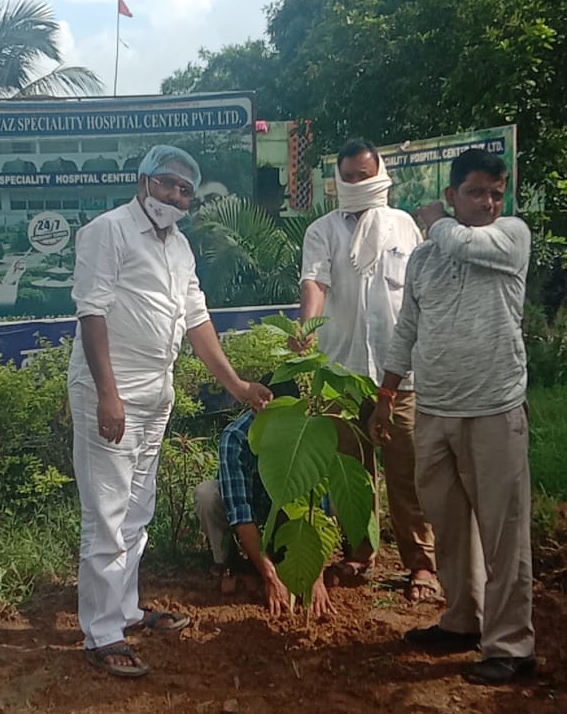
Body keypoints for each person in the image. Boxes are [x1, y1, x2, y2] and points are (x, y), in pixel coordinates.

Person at [67, 145, 272, 679]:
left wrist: (237, 383)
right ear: (143, 181)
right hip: (109, 392)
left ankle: (127, 610)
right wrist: (108, 393)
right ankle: (101, 633)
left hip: (157, 394)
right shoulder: (106, 231)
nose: (176, 197)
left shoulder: (180, 247)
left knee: (137, 509)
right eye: (167, 185)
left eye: (186, 191)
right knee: (107, 514)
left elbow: (196, 321)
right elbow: (92, 313)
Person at [370, 148, 534, 686]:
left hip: (493, 407)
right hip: (435, 408)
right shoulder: (424, 260)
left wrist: (434, 222)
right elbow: (407, 329)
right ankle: (464, 619)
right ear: (452, 194)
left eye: (495, 191)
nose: (489, 202)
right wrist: (388, 392)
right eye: (476, 192)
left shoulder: (509, 237)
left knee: (503, 529)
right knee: (449, 522)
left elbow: (461, 239)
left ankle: (510, 645)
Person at [296, 140, 440, 601]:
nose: (358, 184)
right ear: (339, 180)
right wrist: (307, 328)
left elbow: (418, 294)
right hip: (343, 370)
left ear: (381, 174)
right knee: (351, 475)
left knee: (407, 470)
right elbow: (315, 280)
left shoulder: (406, 228)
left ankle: (422, 565)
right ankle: (361, 552)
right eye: (350, 178)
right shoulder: (323, 231)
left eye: (365, 175)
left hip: (400, 374)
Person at [195, 401, 334, 619]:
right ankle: (229, 564)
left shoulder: (305, 434)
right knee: (207, 495)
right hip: (250, 507)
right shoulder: (236, 437)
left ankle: (285, 560)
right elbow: (240, 512)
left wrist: (315, 574)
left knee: (331, 497)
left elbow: (315, 509)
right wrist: (271, 578)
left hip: (282, 511)